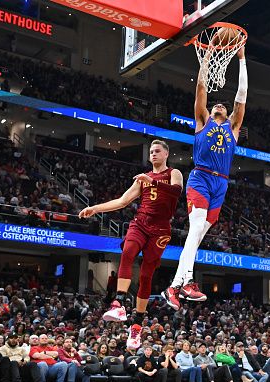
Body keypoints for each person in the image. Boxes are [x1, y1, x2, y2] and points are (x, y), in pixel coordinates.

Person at [161, 43, 248, 310]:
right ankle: (185, 282)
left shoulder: (233, 127)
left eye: (223, 105)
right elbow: (200, 88)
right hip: (200, 178)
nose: (219, 105)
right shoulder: (203, 121)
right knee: (195, 229)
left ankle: (174, 287)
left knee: (196, 238)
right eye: (216, 104)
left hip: (220, 184)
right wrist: (208, 56)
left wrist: (242, 60)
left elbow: (242, 95)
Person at [80, 140, 183, 349]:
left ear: (166, 154)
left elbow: (176, 192)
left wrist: (151, 182)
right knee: (127, 251)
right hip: (140, 223)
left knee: (146, 276)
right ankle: (118, 304)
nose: (153, 154)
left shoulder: (174, 173)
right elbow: (122, 201)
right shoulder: (142, 179)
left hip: (161, 230)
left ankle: (136, 326)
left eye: (157, 151)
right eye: (151, 152)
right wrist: (95, 208)